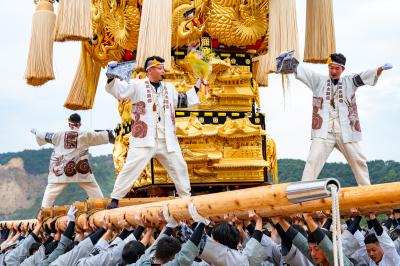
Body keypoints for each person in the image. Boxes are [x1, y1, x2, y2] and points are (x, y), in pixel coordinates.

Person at [105, 55, 200, 208]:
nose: (164, 71)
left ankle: (186, 196)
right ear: (150, 70)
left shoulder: (169, 88)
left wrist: (198, 85)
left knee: (179, 165)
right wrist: (111, 76)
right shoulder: (137, 85)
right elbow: (119, 91)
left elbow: (182, 100)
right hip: (144, 137)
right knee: (131, 167)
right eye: (160, 68)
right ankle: (115, 199)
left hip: (166, 138)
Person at [292, 53, 393, 185]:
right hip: (324, 131)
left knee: (359, 160)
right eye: (331, 68)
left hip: (345, 130)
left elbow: (363, 76)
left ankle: (367, 192)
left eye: (336, 69)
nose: (333, 71)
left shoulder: (349, 82)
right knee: (313, 159)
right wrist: (293, 63)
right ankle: (303, 193)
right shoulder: (318, 81)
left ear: (342, 69)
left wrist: (379, 69)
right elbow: (306, 72)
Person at [31, 113, 113, 207]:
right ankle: (101, 206)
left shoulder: (58, 135)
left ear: (69, 124)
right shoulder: (86, 135)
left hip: (61, 169)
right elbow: (100, 136)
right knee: (93, 188)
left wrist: (36, 131)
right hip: (80, 169)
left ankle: (44, 210)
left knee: (51, 191)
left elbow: (44, 135)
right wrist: (111, 133)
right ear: (80, 124)